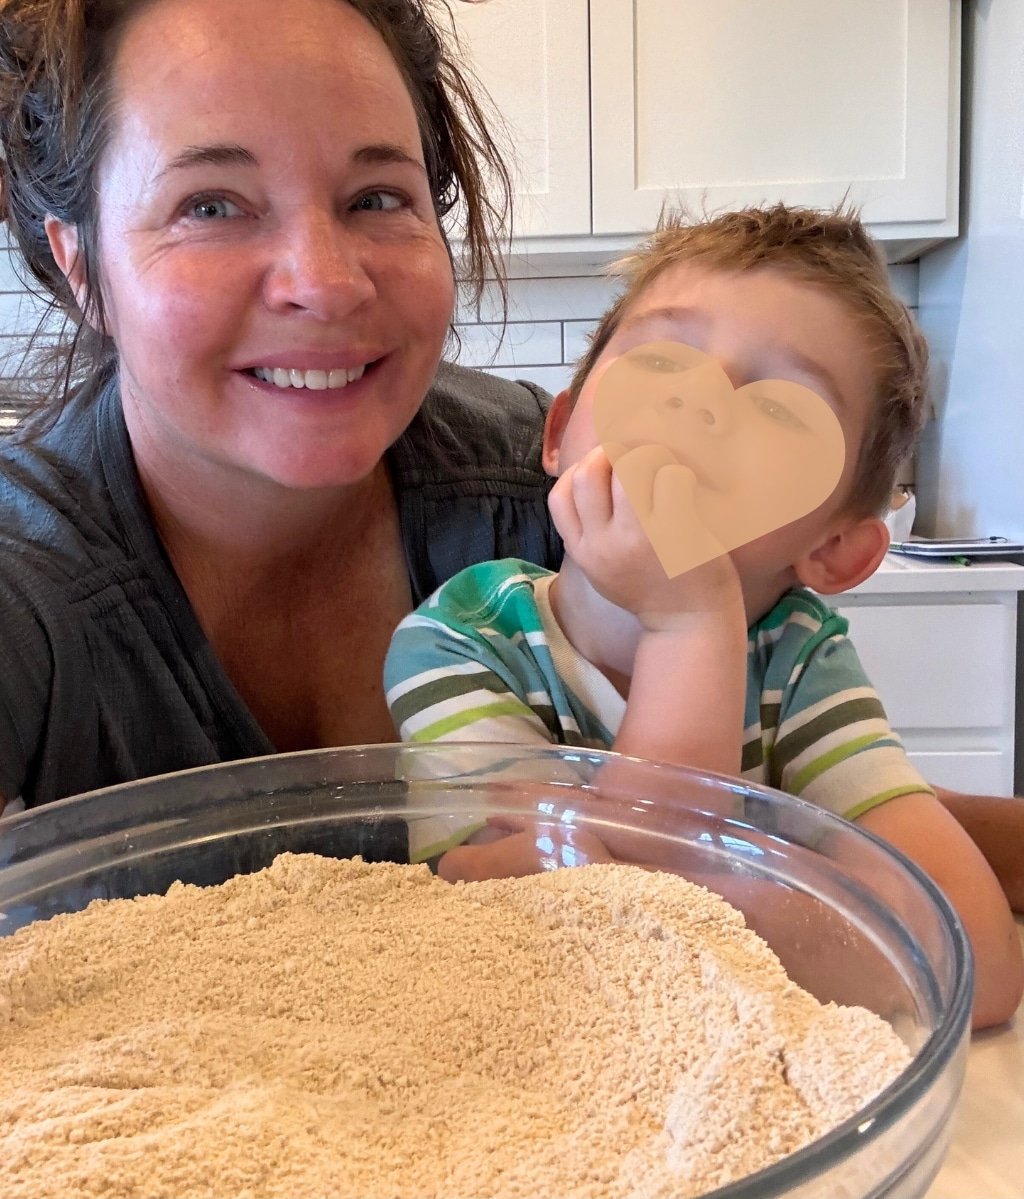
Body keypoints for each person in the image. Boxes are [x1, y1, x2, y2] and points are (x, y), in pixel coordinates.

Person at [0, 0, 560, 900]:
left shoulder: (547, 487)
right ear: (81, 266)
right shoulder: (6, 584)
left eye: (377, 198)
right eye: (210, 206)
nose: (326, 284)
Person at [384, 205, 1024, 1029]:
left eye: (782, 408)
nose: (700, 404)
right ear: (558, 435)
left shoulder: (799, 660)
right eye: (661, 360)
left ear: (836, 551)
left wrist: (692, 621)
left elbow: (976, 962)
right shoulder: (460, 640)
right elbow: (556, 938)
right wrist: (796, 883)